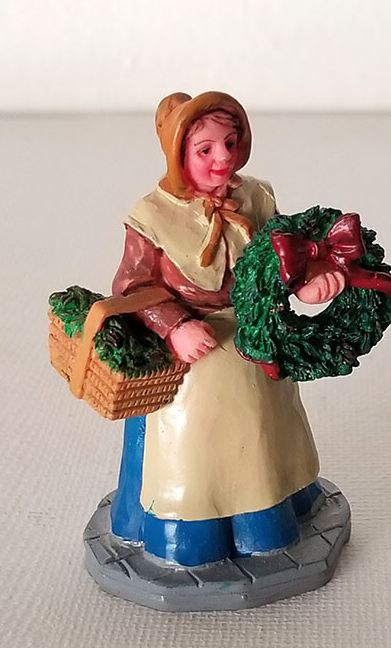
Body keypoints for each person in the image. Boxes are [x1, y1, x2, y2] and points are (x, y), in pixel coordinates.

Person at [108, 91, 345, 567]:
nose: (223, 157)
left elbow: (282, 257)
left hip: (254, 325)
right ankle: (193, 522)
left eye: (231, 143)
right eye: (205, 149)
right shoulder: (153, 217)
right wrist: (175, 326)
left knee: (268, 402)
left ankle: (276, 500)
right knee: (205, 399)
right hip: (195, 340)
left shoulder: (255, 197)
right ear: (179, 154)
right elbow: (131, 286)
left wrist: (306, 282)